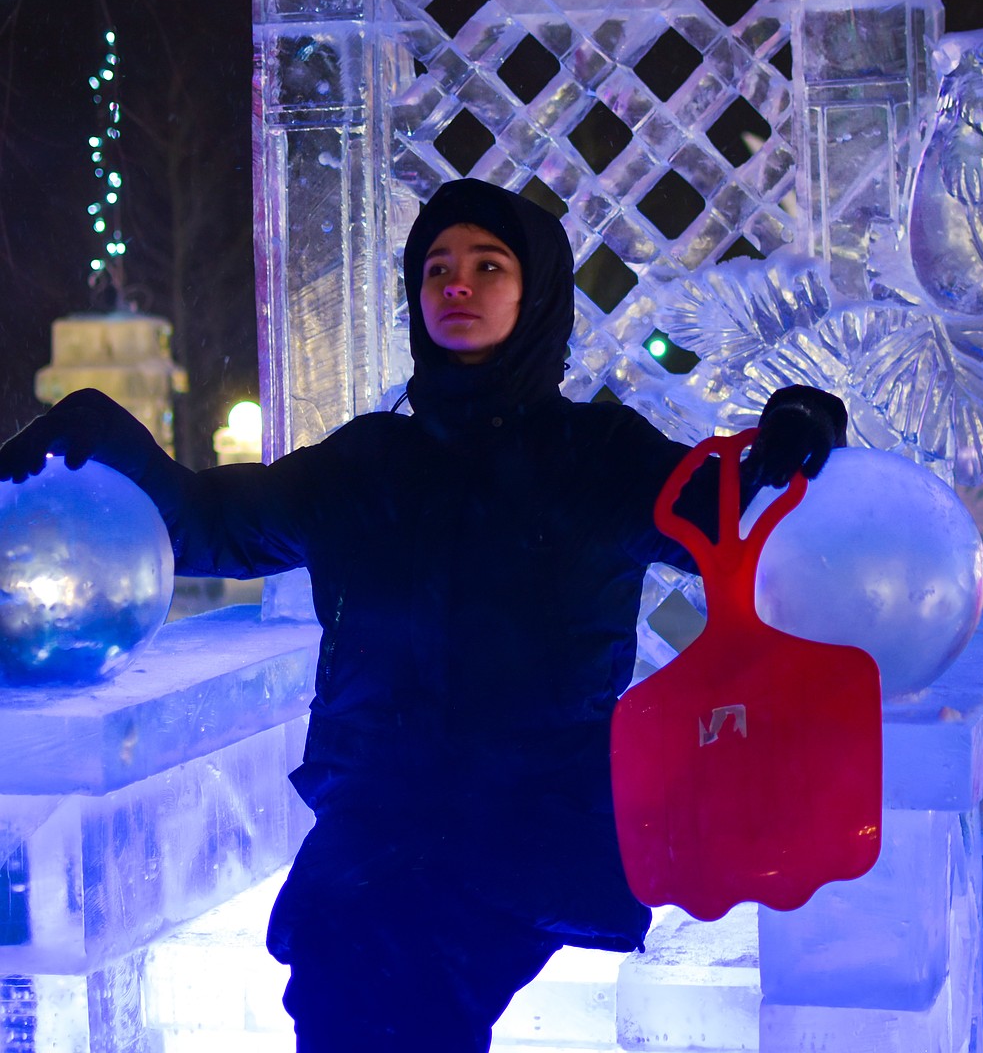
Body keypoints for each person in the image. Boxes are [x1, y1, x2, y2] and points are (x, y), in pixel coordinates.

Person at [0, 178, 848, 1051]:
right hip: (376, 816)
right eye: (437, 265)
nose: (457, 283)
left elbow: (736, 516)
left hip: (531, 824)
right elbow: (213, 528)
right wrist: (102, 430)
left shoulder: (599, 457)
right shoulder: (366, 463)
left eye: (489, 265)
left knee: (396, 979)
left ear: (537, 291)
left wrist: (801, 424)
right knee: (344, 967)